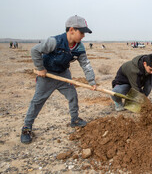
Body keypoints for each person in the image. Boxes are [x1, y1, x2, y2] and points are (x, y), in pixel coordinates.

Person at [21, 15, 97, 144]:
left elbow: (85, 64)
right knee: (38, 101)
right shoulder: (54, 41)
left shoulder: (79, 47)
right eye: (82, 32)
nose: (83, 36)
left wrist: (92, 81)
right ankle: (27, 128)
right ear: (71, 30)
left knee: (72, 95)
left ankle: (75, 120)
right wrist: (40, 68)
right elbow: (35, 51)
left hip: (63, 75)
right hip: (47, 76)